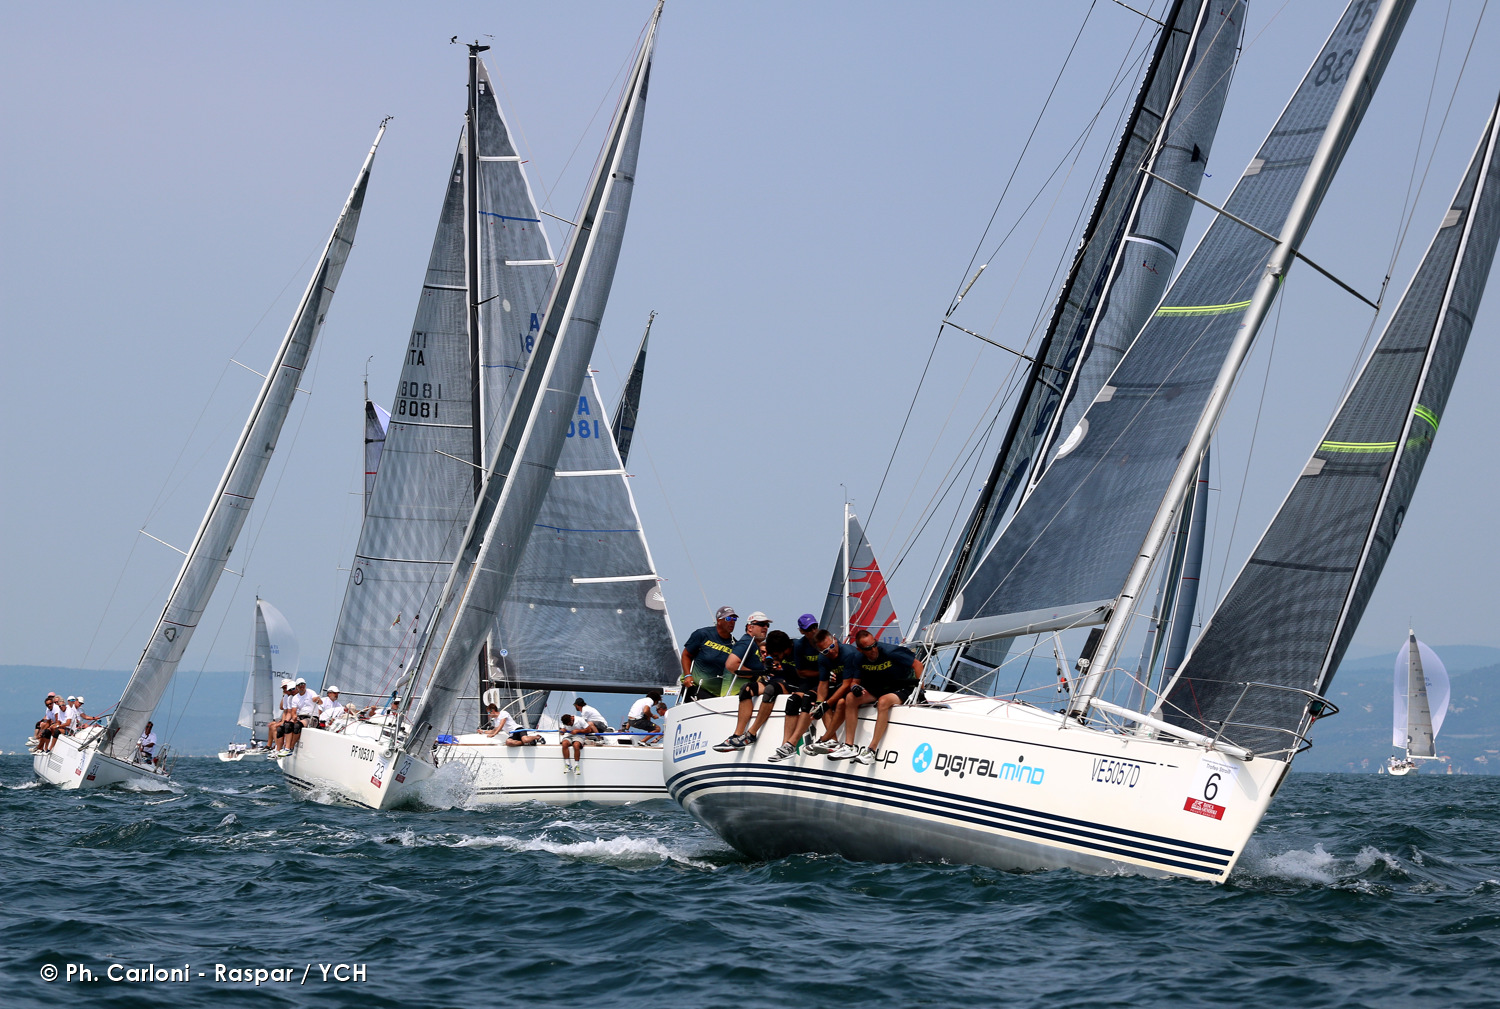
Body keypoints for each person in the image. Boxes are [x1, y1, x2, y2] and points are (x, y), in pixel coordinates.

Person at [828, 631, 924, 765]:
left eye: (874, 645)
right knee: (850, 698)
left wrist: (921, 690)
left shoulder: (890, 651)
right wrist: (855, 687)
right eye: (868, 648)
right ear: (860, 650)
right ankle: (849, 746)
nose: (873, 650)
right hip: (879, 687)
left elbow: (918, 665)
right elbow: (855, 681)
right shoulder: (858, 658)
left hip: (902, 687)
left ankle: (871, 750)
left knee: (883, 702)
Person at [803, 631, 862, 755]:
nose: (830, 651)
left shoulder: (848, 653)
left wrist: (826, 704)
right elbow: (823, 683)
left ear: (835, 639)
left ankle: (825, 738)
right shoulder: (822, 658)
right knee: (822, 704)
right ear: (820, 652)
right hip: (844, 684)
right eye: (825, 651)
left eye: (831, 646)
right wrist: (819, 704)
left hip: (857, 683)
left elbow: (847, 684)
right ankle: (833, 741)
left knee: (839, 703)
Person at [680, 606, 739, 698]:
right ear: (719, 620)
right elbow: (686, 655)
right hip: (695, 687)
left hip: (717, 695)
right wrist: (687, 675)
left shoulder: (735, 644)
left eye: (734, 619)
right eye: (728, 618)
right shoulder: (702, 634)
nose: (732, 622)